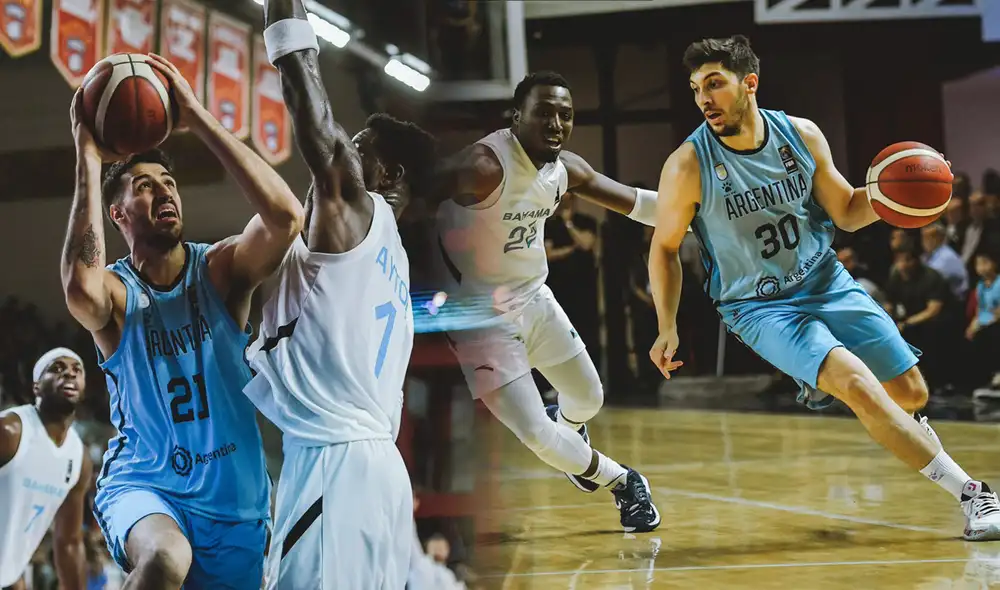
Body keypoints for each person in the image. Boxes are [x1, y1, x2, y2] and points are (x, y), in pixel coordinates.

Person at [648, 34, 1000, 541]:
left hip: (826, 280)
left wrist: (898, 193)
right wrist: (667, 326)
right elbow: (662, 248)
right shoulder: (688, 165)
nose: (703, 98)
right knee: (856, 385)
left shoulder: (801, 135)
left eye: (715, 84)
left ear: (750, 84)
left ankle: (818, 377)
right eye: (696, 87)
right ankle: (974, 494)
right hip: (759, 305)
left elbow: (847, 213)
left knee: (910, 392)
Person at [61, 53, 305, 588]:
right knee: (165, 559)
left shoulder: (218, 271)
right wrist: (87, 153)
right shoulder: (118, 293)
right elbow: (80, 288)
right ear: (118, 214)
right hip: (145, 484)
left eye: (168, 181)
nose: (164, 190)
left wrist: (196, 117)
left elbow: (287, 218)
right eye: (144, 185)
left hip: (235, 501)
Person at [248, 3, 435, 587]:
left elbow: (306, 91)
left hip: (336, 463)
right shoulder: (394, 259)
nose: (348, 152)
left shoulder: (360, 211)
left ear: (388, 173)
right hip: (378, 470)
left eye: (360, 147)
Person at [432, 71, 660, 532]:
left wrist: (705, 212)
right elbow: (416, 191)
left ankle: (571, 439)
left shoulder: (566, 169)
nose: (556, 123)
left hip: (535, 299)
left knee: (588, 397)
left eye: (565, 115)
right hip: (481, 319)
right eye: (544, 113)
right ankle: (623, 481)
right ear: (516, 117)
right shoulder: (484, 165)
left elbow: (636, 202)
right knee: (537, 433)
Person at [0, 349, 92, 590]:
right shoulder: (9, 431)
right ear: (37, 387)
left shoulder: (79, 458)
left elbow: (69, 543)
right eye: (57, 368)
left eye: (76, 370)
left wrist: (11, 577)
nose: (69, 374)